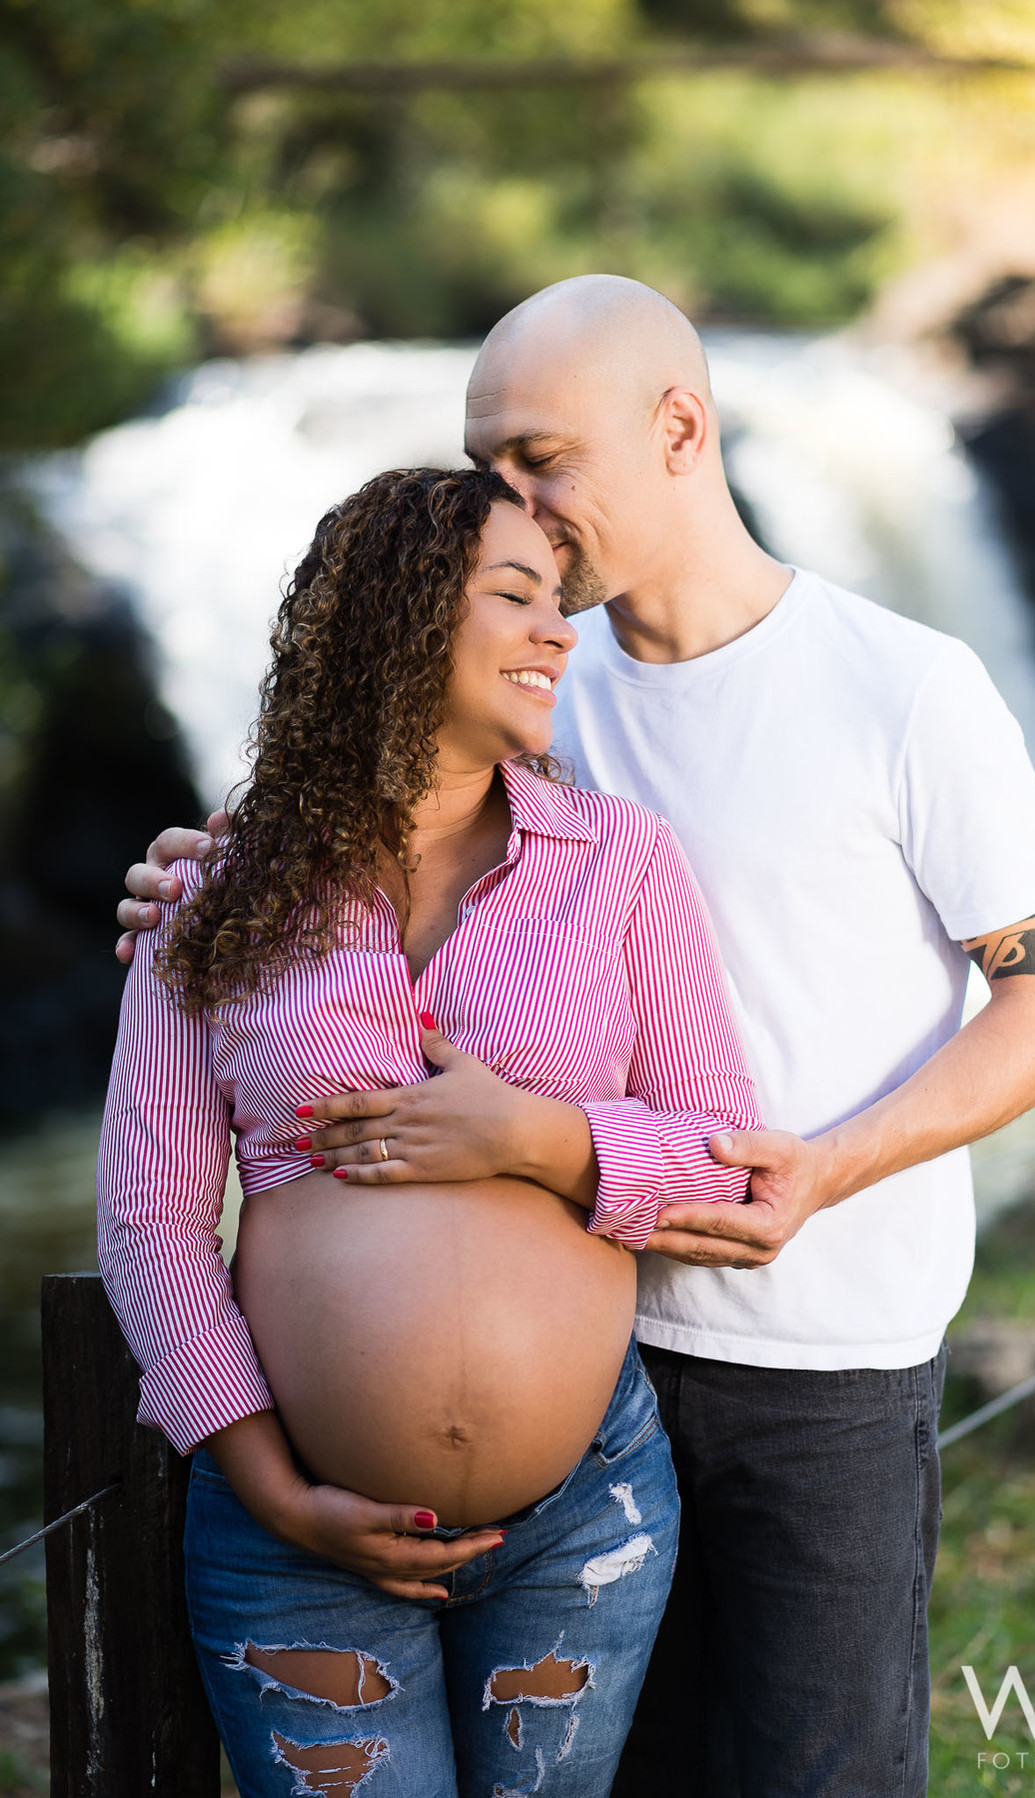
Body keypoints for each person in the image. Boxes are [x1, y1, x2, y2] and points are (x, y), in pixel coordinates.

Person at [119, 277, 1035, 1798]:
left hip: (821, 1355)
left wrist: (826, 1170)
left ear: (679, 427)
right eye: (488, 467)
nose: (509, 506)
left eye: (538, 459)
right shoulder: (538, 689)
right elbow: (369, 805)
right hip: (605, 1374)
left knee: (819, 1772)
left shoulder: (901, 687)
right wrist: (209, 875)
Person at [99, 465, 763, 1798]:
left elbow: (726, 1165)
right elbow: (150, 1213)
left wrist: (529, 1137)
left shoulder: (622, 863)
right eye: (517, 594)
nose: (559, 630)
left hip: (582, 1515)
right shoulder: (216, 891)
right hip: (297, 1533)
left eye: (560, 599)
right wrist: (275, 1484)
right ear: (399, 621)